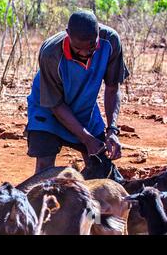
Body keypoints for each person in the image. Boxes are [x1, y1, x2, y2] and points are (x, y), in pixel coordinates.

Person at [25, 10, 129, 175]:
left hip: (84, 106)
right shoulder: (51, 53)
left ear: (98, 34)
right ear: (68, 35)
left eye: (91, 47)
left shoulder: (110, 41)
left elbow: (112, 87)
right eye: (77, 48)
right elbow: (56, 105)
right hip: (47, 106)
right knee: (44, 168)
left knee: (100, 165)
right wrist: (87, 138)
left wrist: (112, 130)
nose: (85, 53)